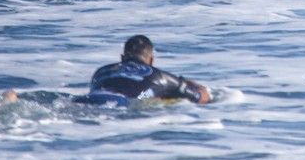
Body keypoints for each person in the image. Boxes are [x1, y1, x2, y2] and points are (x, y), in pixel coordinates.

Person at [75, 34, 212, 106]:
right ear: (151, 60)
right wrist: (191, 85)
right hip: (120, 105)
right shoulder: (160, 77)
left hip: (85, 101)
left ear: (122, 58)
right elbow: (201, 98)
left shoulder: (102, 71)